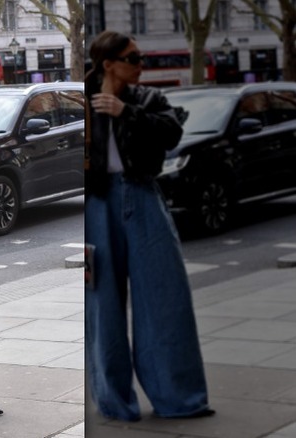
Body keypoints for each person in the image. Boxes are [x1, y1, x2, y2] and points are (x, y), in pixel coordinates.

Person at [85, 30, 214, 422]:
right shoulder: (82, 99)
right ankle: (115, 403)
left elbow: (172, 132)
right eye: (134, 58)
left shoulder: (147, 98)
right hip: (96, 204)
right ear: (109, 64)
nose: (142, 65)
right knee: (101, 305)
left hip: (142, 194)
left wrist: (127, 112)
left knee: (164, 297)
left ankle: (180, 397)